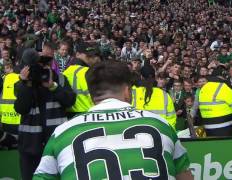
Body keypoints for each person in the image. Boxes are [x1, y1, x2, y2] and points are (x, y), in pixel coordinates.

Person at [33, 61, 193, 180]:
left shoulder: (63, 132)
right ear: (127, 91)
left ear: (91, 95)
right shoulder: (160, 125)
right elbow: (185, 176)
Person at [14, 49, 76, 180]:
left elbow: (69, 101)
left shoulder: (60, 79)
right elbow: (21, 108)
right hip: (30, 145)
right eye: (36, 66)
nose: (40, 69)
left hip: (56, 142)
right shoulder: (22, 84)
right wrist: (27, 84)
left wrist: (53, 86)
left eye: (44, 65)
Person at [132, 64, 177, 129]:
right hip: (161, 135)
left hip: (138, 134)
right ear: (155, 78)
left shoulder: (132, 93)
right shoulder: (164, 95)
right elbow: (171, 119)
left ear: (141, 77)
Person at [63, 42, 100, 118]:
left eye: (93, 55)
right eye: (88, 56)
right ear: (77, 54)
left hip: (69, 115)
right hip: (89, 113)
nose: (92, 58)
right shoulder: (90, 72)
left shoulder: (65, 72)